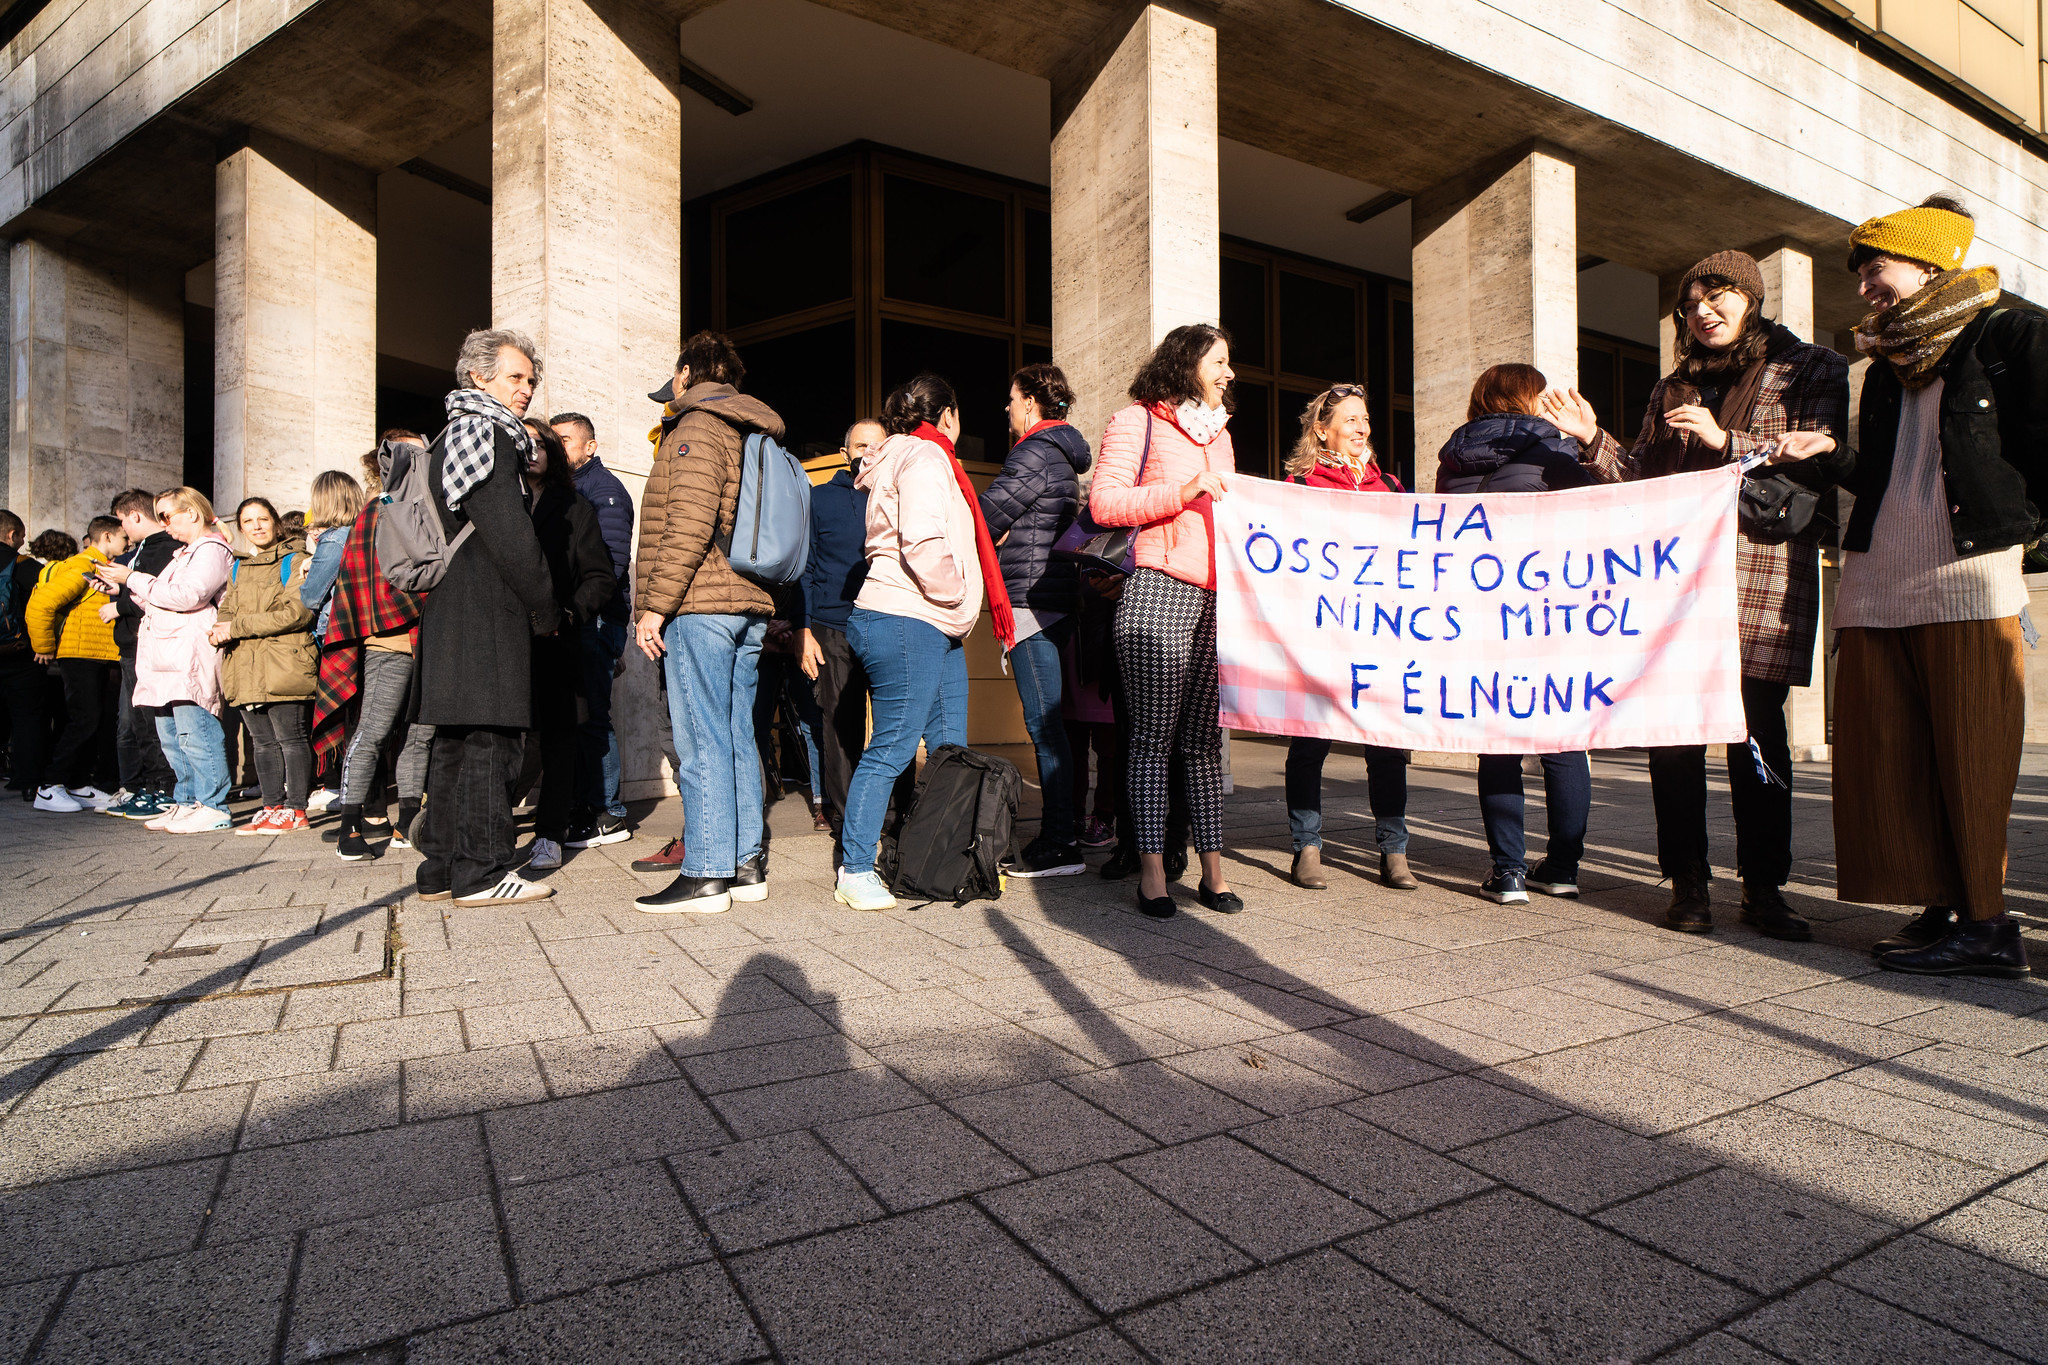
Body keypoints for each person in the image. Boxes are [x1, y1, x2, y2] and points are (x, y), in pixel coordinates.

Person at [1544, 250, 1850, 939]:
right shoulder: (1671, 388)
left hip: (1763, 572)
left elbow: (1822, 454)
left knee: (1757, 733)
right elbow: (1646, 480)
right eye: (1690, 303)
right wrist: (1593, 437)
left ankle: (1766, 889)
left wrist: (1727, 439)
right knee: (1674, 735)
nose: (1702, 313)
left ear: (1751, 297)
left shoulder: (1811, 367)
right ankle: (1688, 883)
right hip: (1677, 580)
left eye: (1717, 298)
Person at [1830, 195, 2042, 979]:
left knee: (1971, 750)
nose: (1863, 289)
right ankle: (1940, 904)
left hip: (1967, 576)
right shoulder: (1882, 366)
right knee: (1894, 749)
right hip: (1883, 572)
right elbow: (1887, 473)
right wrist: (1825, 454)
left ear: (1927, 264)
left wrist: (2031, 537)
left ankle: (1990, 924)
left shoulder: (2010, 334)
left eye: (1873, 270)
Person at [833, 373, 1005, 912]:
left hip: (932, 624)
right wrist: (957, 593)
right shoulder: (926, 459)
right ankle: (855, 869)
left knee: (950, 745)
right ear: (947, 415)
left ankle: (942, 854)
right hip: (909, 616)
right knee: (893, 748)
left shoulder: (908, 458)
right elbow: (923, 540)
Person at [631, 331, 788, 914]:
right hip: (747, 602)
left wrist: (655, 605)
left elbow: (689, 527)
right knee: (736, 734)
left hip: (701, 605)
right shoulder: (752, 432)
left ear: (684, 375)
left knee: (701, 741)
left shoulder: (696, 426)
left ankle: (706, 873)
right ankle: (745, 862)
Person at [1088, 323, 1241, 920]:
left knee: (1204, 743)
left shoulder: (1221, 433)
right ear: (1187, 362)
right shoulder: (1137, 421)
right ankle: (1151, 873)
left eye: (1230, 364)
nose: (1229, 374)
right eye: (1220, 362)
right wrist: (1182, 490)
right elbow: (1105, 503)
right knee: (1152, 741)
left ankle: (1213, 873)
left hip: (1214, 600)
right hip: (1157, 590)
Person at [1436, 364, 1596, 903]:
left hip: (1480, 613)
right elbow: (1592, 514)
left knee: (1498, 742)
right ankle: (1563, 867)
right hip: (1548, 610)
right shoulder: (1555, 449)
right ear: (1531, 399)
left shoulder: (1453, 457)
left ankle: (1508, 872)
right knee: (1563, 740)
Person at [414, 329, 563, 905]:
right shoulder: (487, 433)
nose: (526, 389)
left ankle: (442, 870)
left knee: (455, 741)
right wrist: (545, 605)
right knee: (491, 741)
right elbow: (510, 533)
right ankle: (480, 871)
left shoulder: (450, 433)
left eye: (531, 380)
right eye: (516, 378)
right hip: (484, 608)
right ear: (479, 378)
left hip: (453, 606)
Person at [1280, 384, 1418, 894]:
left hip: (1379, 635)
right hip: (1321, 633)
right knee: (1310, 740)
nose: (1363, 427)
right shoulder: (1298, 485)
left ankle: (1394, 850)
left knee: (1386, 744)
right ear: (1322, 429)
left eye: (1366, 419)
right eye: (1351, 419)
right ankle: (1307, 847)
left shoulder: (1392, 488)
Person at [979, 362, 1094, 878]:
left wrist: (993, 534)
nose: (1006, 408)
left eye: (1012, 398)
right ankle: (1064, 828)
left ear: (1031, 402)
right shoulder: (1064, 457)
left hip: (1030, 601)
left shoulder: (1033, 453)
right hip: (1057, 598)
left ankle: (1059, 841)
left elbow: (986, 515)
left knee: (1044, 726)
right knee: (1056, 726)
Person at [317, 433, 436, 862]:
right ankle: (350, 827)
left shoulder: (430, 506)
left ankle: (406, 823)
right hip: (388, 642)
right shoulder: (377, 510)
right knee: (374, 731)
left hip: (429, 641)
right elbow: (366, 580)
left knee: (419, 735)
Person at [97, 487, 236, 833]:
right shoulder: (186, 553)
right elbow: (161, 597)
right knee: (171, 734)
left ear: (191, 513)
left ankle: (212, 804)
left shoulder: (211, 549)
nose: (163, 524)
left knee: (195, 731)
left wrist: (131, 578)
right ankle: (187, 801)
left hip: (188, 651)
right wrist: (124, 590)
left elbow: (188, 596)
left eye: (166, 516)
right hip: (165, 653)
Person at [522, 419, 617, 872]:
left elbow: (601, 576)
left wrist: (572, 614)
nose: (533, 450)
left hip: (560, 640)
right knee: (508, 741)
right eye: (524, 443)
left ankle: (549, 833)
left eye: (543, 444)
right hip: (505, 641)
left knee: (561, 739)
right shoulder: (496, 504)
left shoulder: (577, 506)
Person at [798, 419, 884, 861]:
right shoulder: (819, 498)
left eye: (876, 444)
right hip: (833, 627)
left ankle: (894, 818)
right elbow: (806, 568)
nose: (868, 451)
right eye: (860, 444)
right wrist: (805, 630)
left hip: (889, 620)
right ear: (843, 450)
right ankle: (848, 820)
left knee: (891, 726)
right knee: (840, 724)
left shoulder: (895, 494)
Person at [551, 411, 635, 847]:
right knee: (579, 716)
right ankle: (585, 806)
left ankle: (609, 813)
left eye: (565, 439)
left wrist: (580, 612)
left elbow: (610, 566)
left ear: (590, 447)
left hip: (596, 615)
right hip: (580, 616)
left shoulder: (604, 491)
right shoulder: (567, 490)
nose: (556, 446)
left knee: (593, 717)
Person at [212, 497, 316, 834]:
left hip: (284, 662)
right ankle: (271, 806)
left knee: (291, 738)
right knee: (263, 742)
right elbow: (227, 610)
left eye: (262, 519)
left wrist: (236, 628)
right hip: (245, 664)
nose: (256, 526)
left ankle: (296, 810)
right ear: (240, 528)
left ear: (275, 522)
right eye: (248, 521)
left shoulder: (296, 560)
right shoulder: (238, 567)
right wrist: (218, 628)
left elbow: (297, 613)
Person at [25, 515, 129, 812]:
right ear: (107, 537)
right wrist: (43, 647)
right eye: (123, 537)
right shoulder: (82, 564)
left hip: (97, 654)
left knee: (94, 721)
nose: (128, 541)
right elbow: (42, 604)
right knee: (83, 719)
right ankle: (48, 786)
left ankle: (78, 784)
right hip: (80, 654)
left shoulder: (100, 566)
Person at [103, 490, 178, 818]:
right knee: (137, 721)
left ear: (134, 515)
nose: (122, 529)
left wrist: (117, 605)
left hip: (146, 644)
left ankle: (161, 789)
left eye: (122, 520)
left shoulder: (163, 547)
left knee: (150, 721)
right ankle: (147, 787)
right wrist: (116, 589)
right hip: (133, 645)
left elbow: (160, 591)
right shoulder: (146, 548)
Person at [295, 471, 364, 815]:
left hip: (335, 633)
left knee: (346, 715)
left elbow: (310, 597)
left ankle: (347, 791)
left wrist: (308, 568)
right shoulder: (363, 532)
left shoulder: (334, 540)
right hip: (362, 630)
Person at [0, 509, 46, 801]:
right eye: (22, 536)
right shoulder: (24, 565)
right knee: (28, 717)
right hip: (20, 655)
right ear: (12, 535)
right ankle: (27, 781)